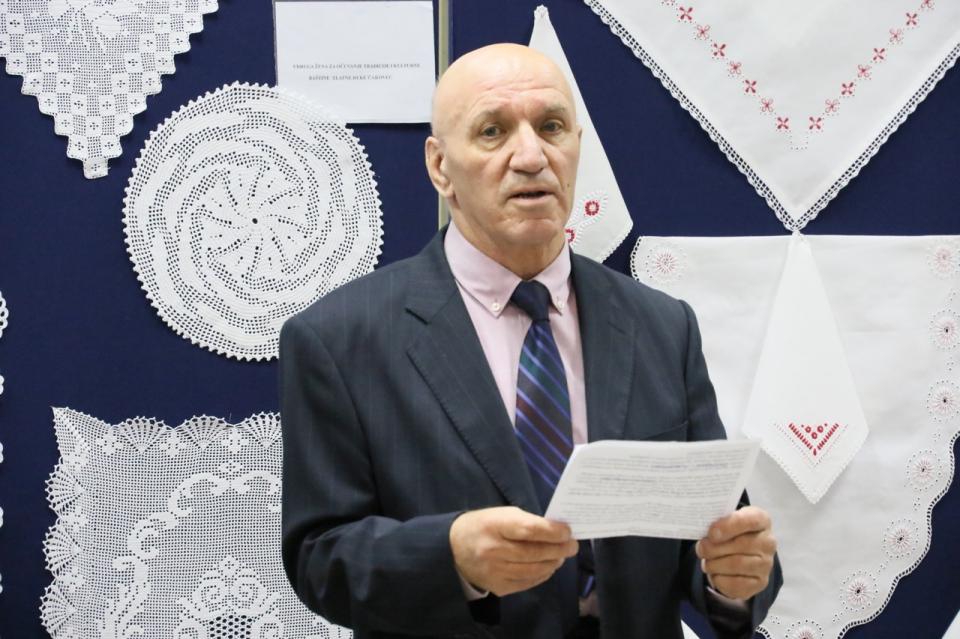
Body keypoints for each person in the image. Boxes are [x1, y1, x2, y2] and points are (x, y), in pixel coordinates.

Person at [280, 43, 781, 639]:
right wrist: (450, 557)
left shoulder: (662, 326)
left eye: (551, 127)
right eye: (493, 131)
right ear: (440, 167)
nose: (531, 156)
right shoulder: (340, 339)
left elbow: (716, 534)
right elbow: (319, 558)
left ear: (576, 145)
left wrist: (735, 579)